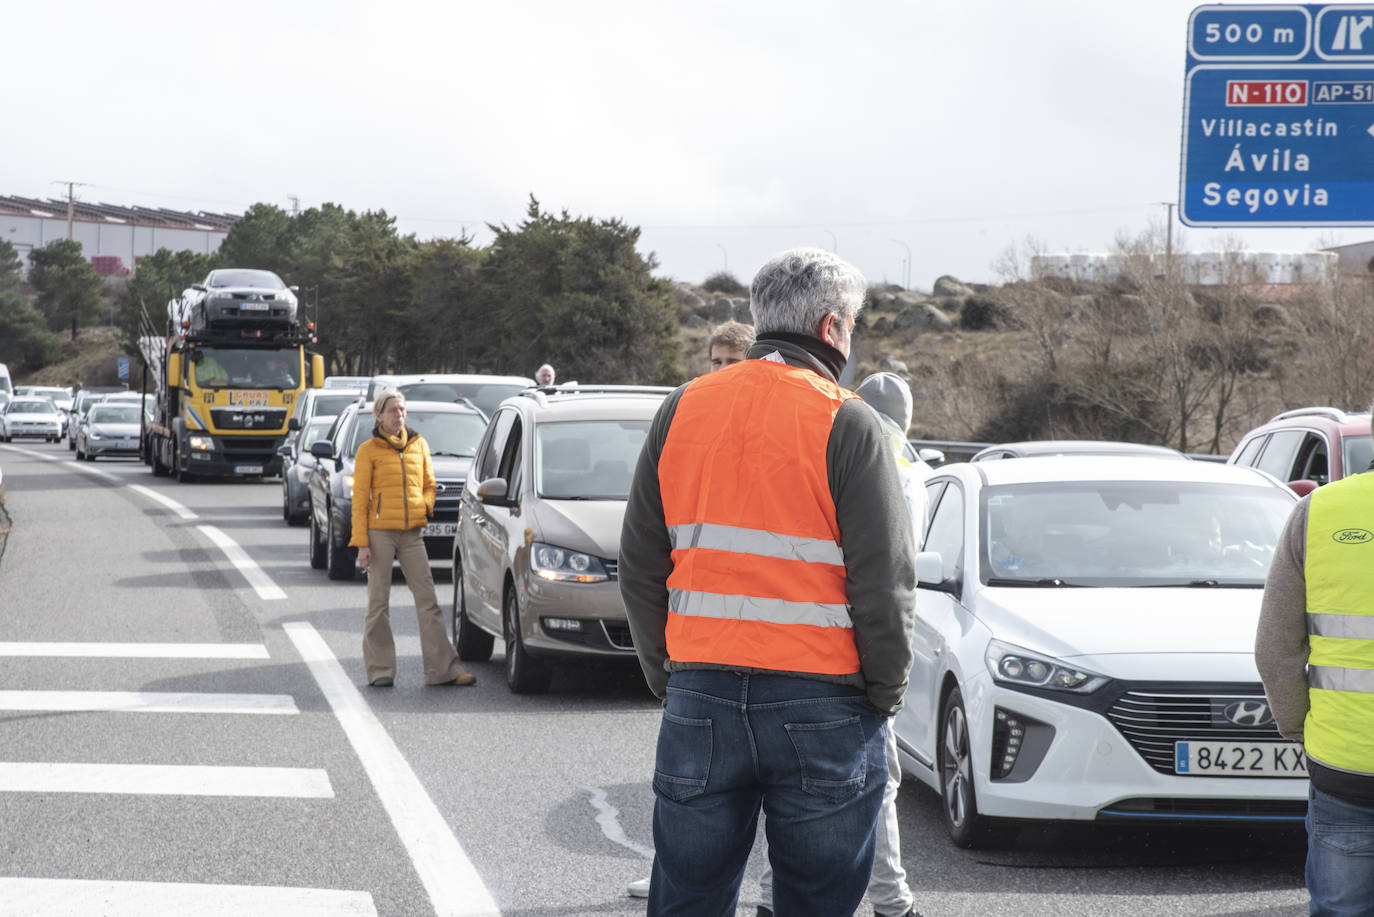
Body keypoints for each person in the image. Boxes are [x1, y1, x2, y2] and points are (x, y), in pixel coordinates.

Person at [620, 247, 917, 916]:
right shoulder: (850, 422)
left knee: (688, 897)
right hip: (826, 703)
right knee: (814, 899)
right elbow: (884, 582)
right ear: (833, 327)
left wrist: (670, 674)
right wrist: (884, 693)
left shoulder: (682, 408)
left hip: (702, 693)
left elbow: (640, 563)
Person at [754, 371, 928, 917]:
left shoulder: (829, 448)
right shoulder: (907, 474)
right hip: (859, 651)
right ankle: (893, 904)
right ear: (906, 421)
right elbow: (892, 580)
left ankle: (769, 897)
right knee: (876, 785)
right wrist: (887, 682)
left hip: (798, 643)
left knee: (784, 787)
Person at [625, 315, 761, 901]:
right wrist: (661, 666)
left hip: (761, 660)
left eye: (734, 361)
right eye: (716, 361)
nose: (723, 372)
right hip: (703, 660)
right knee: (692, 841)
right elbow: (643, 556)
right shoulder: (684, 420)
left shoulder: (767, 433)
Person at [1257, 412, 1374, 917]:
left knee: (1341, 909)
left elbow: (1276, 647)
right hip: (1343, 765)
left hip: (1345, 766)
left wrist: (1299, 726)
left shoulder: (1320, 511)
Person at [350, 389, 476, 688]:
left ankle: (443, 670)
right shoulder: (368, 450)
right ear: (378, 415)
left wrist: (425, 505)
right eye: (393, 410)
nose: (399, 415)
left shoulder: (418, 445)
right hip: (379, 533)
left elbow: (431, 484)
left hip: (412, 534)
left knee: (428, 600)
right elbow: (359, 500)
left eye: (402, 410)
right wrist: (362, 545)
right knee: (378, 603)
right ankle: (380, 669)